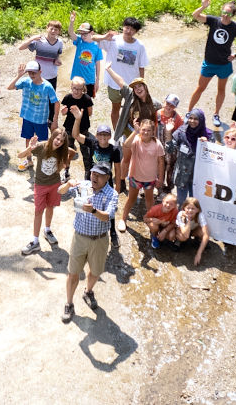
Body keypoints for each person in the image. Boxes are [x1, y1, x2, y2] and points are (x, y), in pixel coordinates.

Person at [60, 163, 119, 323]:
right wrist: (68, 184)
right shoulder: (83, 186)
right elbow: (60, 192)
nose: (94, 177)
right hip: (79, 238)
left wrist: (92, 210)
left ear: (107, 178)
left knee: (96, 271)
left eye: (99, 175)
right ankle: (69, 303)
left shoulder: (112, 194)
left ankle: (88, 291)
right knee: (73, 273)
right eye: (93, 173)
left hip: (99, 240)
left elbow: (108, 216)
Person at [17, 130, 78, 256]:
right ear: (52, 137)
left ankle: (47, 230)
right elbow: (20, 156)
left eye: (61, 141)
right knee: (38, 211)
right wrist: (30, 147)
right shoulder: (41, 146)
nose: (58, 142)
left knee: (50, 207)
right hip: (40, 185)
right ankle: (35, 241)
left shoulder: (62, 150)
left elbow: (73, 152)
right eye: (57, 139)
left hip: (54, 184)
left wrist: (63, 165)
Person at [188, 0, 236, 127]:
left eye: (229, 13)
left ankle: (216, 114)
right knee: (200, 88)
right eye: (224, 12)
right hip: (209, 63)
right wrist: (203, 6)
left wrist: (235, 54)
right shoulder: (214, 21)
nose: (226, 15)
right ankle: (189, 112)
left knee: (221, 90)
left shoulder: (235, 27)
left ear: (232, 15)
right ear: (221, 11)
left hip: (224, 65)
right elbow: (195, 15)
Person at [8, 61, 59, 171]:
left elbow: (56, 102)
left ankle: (43, 162)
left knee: (43, 142)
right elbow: (10, 87)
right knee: (28, 138)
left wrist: (55, 120)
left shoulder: (47, 86)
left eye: (34, 73)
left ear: (40, 72)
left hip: (40, 119)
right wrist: (19, 75)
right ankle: (29, 160)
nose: (31, 75)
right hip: (27, 117)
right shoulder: (25, 81)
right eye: (29, 72)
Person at [118, 119, 165, 230]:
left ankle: (149, 218)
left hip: (150, 179)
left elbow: (161, 162)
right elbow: (125, 145)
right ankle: (123, 219)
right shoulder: (136, 140)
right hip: (135, 177)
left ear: (153, 131)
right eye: (143, 130)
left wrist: (161, 178)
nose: (146, 132)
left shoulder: (157, 144)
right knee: (131, 199)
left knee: (149, 200)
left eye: (149, 130)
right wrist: (135, 132)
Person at [103, 17, 148, 132]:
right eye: (127, 27)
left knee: (132, 111)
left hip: (131, 85)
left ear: (136, 32)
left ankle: (131, 132)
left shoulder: (140, 46)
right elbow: (91, 38)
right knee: (115, 109)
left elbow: (141, 66)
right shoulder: (113, 40)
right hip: (114, 84)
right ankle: (117, 134)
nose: (128, 31)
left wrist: (141, 84)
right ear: (123, 27)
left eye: (132, 29)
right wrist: (104, 36)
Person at [167, 109, 212, 205]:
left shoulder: (209, 136)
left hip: (197, 177)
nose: (192, 121)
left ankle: (192, 220)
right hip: (182, 176)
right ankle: (180, 219)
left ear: (201, 120)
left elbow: (213, 157)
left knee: (194, 204)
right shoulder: (181, 132)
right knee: (181, 202)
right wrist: (168, 132)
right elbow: (170, 150)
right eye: (190, 118)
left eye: (196, 119)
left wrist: (207, 145)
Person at [59, 77, 96, 179]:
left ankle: (87, 174)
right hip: (69, 129)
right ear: (71, 87)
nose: (76, 91)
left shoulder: (87, 99)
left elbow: (90, 113)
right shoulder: (67, 98)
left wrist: (79, 115)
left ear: (83, 88)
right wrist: (64, 112)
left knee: (86, 152)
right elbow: (63, 113)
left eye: (79, 89)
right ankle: (66, 171)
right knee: (67, 150)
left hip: (83, 129)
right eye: (74, 88)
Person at [66, 15, 107, 97]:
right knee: (75, 98)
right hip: (77, 78)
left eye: (85, 33)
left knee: (88, 101)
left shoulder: (97, 45)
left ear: (92, 33)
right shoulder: (79, 41)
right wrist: (71, 22)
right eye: (81, 33)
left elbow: (98, 63)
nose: (82, 36)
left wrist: (97, 80)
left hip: (90, 79)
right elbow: (71, 33)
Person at [18, 20, 65, 88]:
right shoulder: (39, 40)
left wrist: (58, 60)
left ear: (59, 31)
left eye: (56, 29)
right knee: (37, 97)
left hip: (52, 75)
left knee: (50, 97)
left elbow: (57, 55)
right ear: (47, 28)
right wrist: (31, 39)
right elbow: (21, 48)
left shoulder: (60, 42)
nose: (53, 31)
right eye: (51, 29)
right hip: (38, 75)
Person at [173, 198, 215, 266]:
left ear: (198, 210)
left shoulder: (200, 215)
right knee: (183, 237)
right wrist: (189, 220)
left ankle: (197, 240)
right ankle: (179, 241)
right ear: (184, 208)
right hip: (183, 231)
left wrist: (199, 254)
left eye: (193, 208)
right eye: (188, 208)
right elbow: (185, 234)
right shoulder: (180, 214)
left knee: (203, 232)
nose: (190, 210)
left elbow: (206, 234)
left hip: (193, 230)